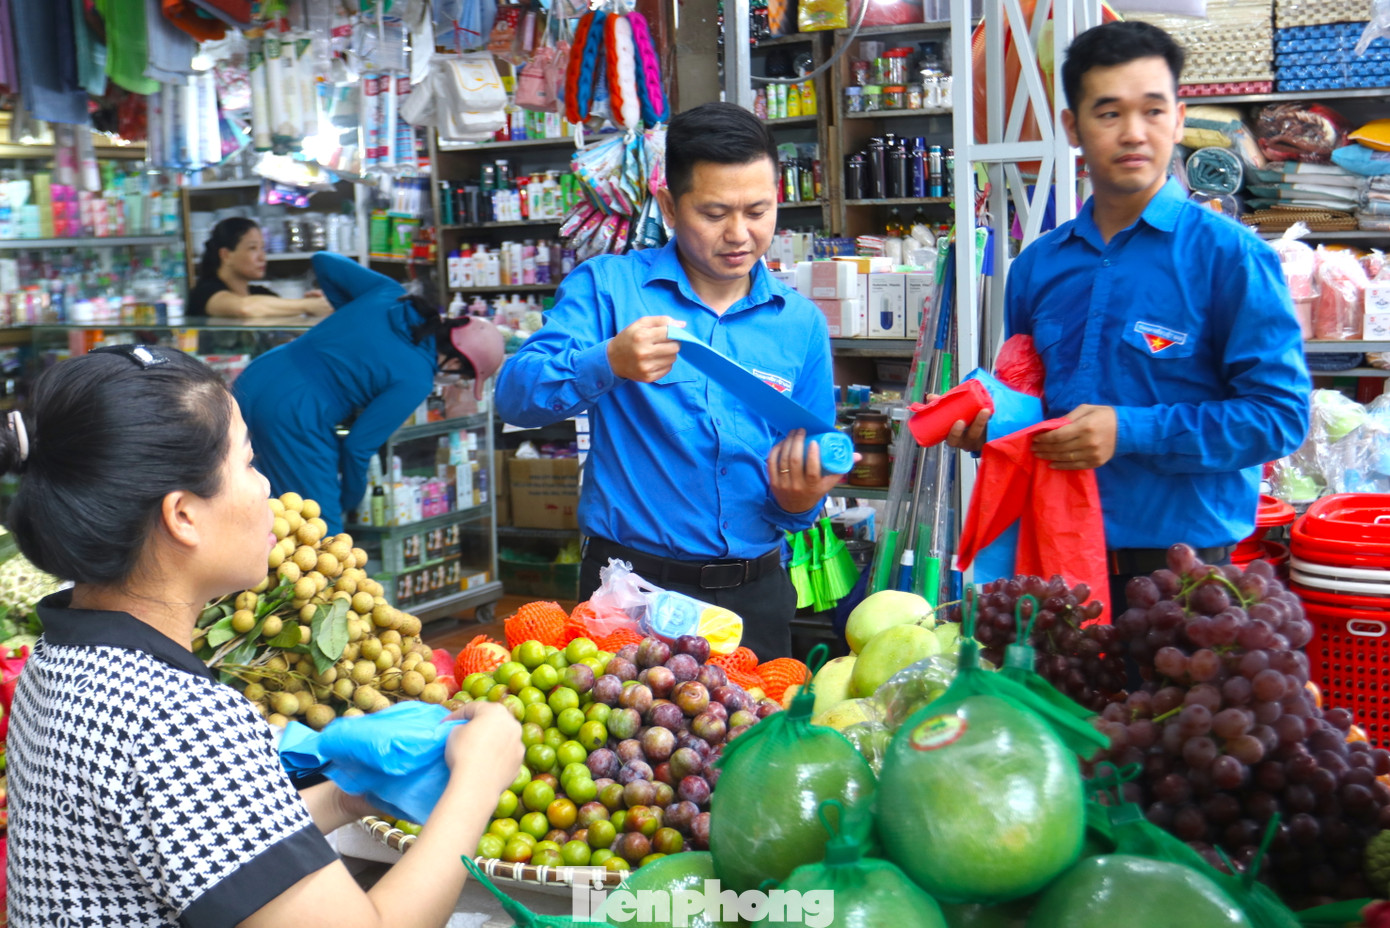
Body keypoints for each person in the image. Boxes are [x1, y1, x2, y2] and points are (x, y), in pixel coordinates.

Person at [3, 344, 524, 927]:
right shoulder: (177, 721)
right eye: (249, 462)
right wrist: (478, 780)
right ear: (183, 516)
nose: (266, 486)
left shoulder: (58, 659)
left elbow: (179, 847)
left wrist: (344, 797)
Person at [946, 20, 1310, 607]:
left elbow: (1279, 418)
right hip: (1054, 570)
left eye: (1153, 111)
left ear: (1180, 119)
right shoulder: (1038, 266)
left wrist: (1128, 431)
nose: (1133, 133)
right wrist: (997, 428)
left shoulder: (1230, 258)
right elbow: (1032, 398)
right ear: (1073, 127)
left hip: (1185, 583)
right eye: (1109, 113)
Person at [495, 102, 841, 661]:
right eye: (714, 213)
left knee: (750, 747)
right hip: (630, 601)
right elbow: (515, 394)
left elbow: (809, 463)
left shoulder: (799, 325)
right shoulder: (609, 290)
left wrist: (800, 500)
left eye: (758, 210)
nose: (739, 234)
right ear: (668, 207)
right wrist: (607, 360)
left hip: (752, 602)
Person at [234, 252, 505, 536]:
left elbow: (324, 260)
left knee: (247, 496)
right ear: (456, 362)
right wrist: (350, 498)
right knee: (320, 530)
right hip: (295, 412)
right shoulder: (416, 379)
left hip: (257, 375)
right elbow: (358, 446)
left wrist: (348, 313)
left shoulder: (391, 295)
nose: (456, 382)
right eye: (463, 377)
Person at [189, 218, 334, 318]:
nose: (262, 257)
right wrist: (307, 305)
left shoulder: (262, 294)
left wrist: (310, 310)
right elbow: (245, 308)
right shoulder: (205, 292)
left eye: (263, 248)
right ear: (226, 255)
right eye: (252, 248)